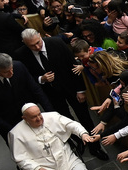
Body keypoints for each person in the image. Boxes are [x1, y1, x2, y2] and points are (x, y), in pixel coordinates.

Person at [15, 29, 108, 160]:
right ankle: (78, 141)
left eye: (38, 42)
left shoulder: (56, 42)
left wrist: (80, 90)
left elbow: (74, 66)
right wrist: (41, 79)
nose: (37, 47)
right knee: (64, 119)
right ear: (25, 44)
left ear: (40, 36)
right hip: (51, 93)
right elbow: (26, 77)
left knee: (84, 117)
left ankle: (95, 146)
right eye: (32, 46)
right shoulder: (21, 54)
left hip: (70, 88)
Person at [0, 53, 52, 141]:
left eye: (11, 68)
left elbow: (36, 89)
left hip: (26, 111)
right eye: (6, 72)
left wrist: (50, 112)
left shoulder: (18, 66)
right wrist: (12, 130)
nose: (11, 73)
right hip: (6, 119)